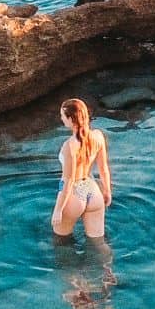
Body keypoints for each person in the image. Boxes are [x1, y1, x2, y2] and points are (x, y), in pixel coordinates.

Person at [51, 98, 111, 238]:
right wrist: (107, 191)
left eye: (63, 116)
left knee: (61, 242)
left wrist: (58, 209)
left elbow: (68, 180)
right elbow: (103, 168)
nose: (61, 118)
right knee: (98, 243)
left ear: (71, 119)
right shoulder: (98, 136)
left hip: (73, 195)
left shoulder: (69, 146)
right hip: (93, 191)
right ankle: (107, 261)